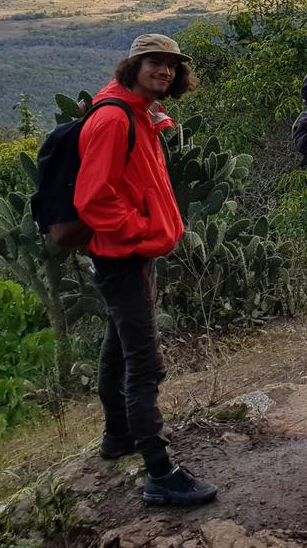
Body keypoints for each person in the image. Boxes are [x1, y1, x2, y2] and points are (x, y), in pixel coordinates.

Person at [76, 33, 217, 506]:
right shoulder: (116, 119)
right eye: (154, 63)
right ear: (132, 66)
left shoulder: (137, 114)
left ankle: (117, 436)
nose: (164, 71)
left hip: (129, 253)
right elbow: (94, 198)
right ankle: (159, 469)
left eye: (171, 66)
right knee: (145, 362)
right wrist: (139, 231)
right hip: (123, 254)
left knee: (119, 346)